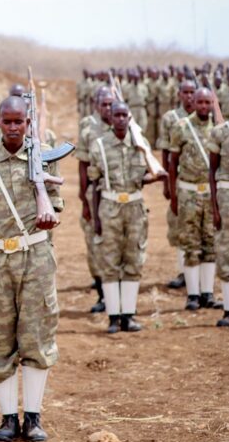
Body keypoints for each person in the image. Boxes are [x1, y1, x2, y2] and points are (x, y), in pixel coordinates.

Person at [0, 96, 63, 442]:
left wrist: (44, 202)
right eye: (6, 122)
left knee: (36, 335)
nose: (12, 128)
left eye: (18, 122)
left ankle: (33, 418)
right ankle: (8, 419)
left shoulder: (45, 156)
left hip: (35, 256)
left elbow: (56, 211)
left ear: (27, 123)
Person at [89, 102, 163, 332]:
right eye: (117, 115)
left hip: (135, 207)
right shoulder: (99, 146)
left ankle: (128, 316)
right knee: (110, 262)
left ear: (129, 118)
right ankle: (113, 317)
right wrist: (96, 219)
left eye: (124, 115)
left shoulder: (140, 145)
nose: (120, 119)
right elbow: (95, 183)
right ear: (110, 117)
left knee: (134, 260)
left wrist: (157, 175)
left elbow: (144, 175)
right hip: (109, 207)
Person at [169, 87, 219, 310]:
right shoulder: (181, 127)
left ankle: (208, 293)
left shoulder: (218, 129)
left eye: (208, 102)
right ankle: (192, 294)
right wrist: (173, 195)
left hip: (210, 193)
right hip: (188, 192)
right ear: (193, 102)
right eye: (200, 102)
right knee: (190, 243)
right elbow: (172, 163)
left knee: (210, 242)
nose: (204, 106)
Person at [77, 88, 114, 313]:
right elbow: (83, 164)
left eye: (112, 104)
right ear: (97, 106)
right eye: (105, 104)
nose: (108, 109)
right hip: (94, 192)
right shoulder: (89, 130)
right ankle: (102, 293)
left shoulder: (125, 127)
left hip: (115, 193)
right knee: (94, 242)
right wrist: (83, 198)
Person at [159, 80, 197, 289]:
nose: (190, 96)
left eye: (193, 92)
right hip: (179, 180)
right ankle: (183, 271)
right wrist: (167, 184)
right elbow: (165, 152)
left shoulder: (205, 118)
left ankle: (199, 274)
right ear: (179, 94)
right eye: (186, 92)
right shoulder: (171, 118)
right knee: (179, 225)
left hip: (199, 182)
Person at [209, 91, 229, 327]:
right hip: (226, 197)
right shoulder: (220, 132)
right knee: (227, 254)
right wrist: (215, 208)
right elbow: (212, 171)